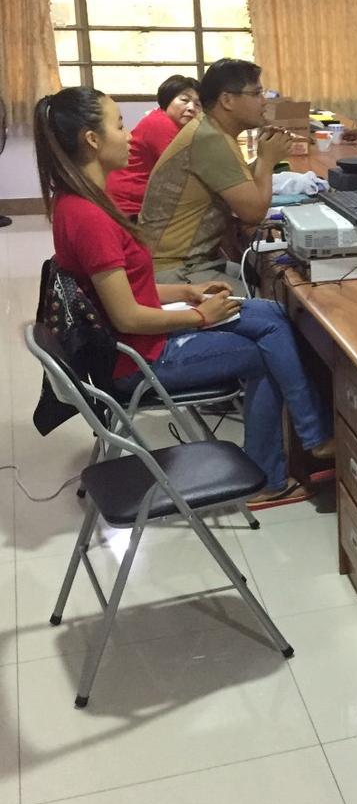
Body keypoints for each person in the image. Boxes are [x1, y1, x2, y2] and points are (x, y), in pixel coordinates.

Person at [34, 86, 334, 506]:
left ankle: (312, 436)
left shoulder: (79, 200)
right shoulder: (89, 216)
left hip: (134, 343)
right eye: (119, 126)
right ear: (92, 140)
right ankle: (279, 468)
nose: (130, 136)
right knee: (268, 351)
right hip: (138, 359)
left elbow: (125, 288)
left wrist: (188, 291)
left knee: (271, 315)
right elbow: (127, 317)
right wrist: (201, 316)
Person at [140, 58, 296, 285]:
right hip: (174, 269)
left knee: (263, 278)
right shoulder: (211, 139)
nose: (264, 102)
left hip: (183, 261)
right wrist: (267, 159)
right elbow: (253, 213)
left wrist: (266, 155)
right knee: (274, 294)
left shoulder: (210, 129)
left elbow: (237, 183)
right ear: (227, 100)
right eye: (256, 94)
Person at [105, 75, 201, 216]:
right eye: (184, 100)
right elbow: (187, 171)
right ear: (167, 100)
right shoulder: (160, 123)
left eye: (198, 104)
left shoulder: (178, 127)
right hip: (130, 207)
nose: (191, 108)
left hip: (139, 203)